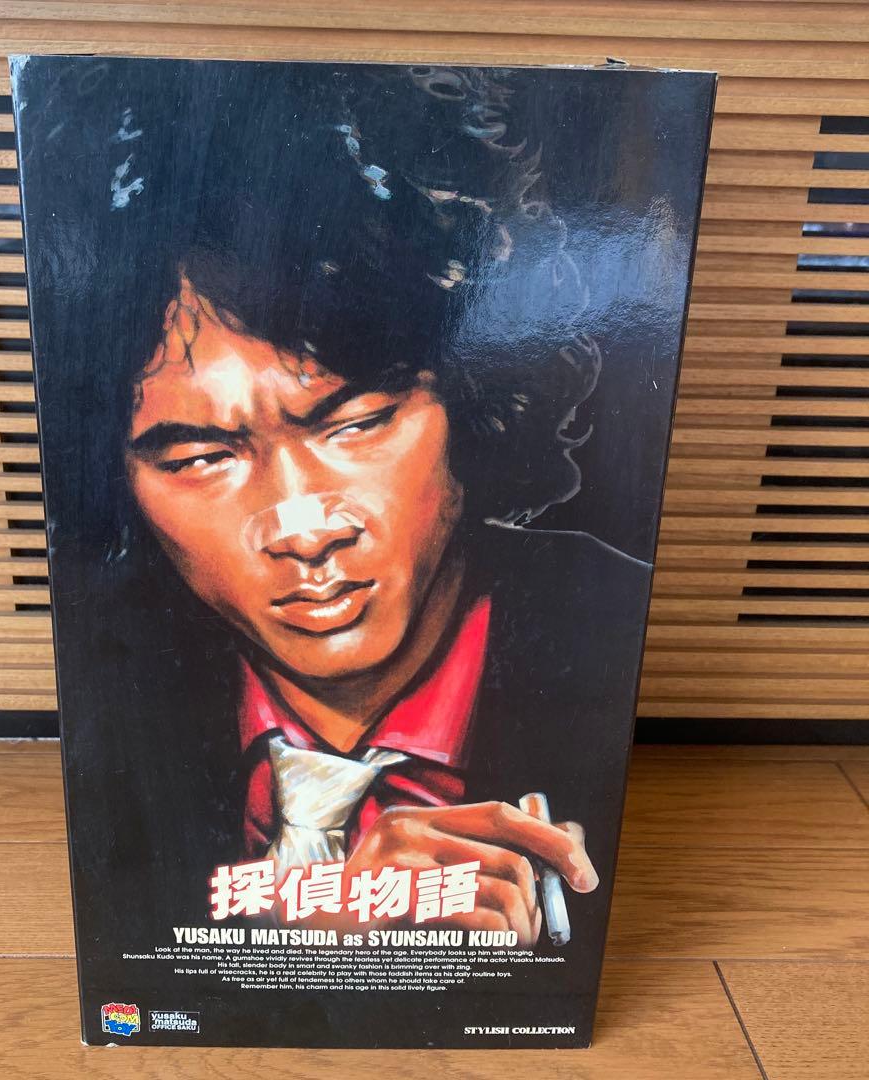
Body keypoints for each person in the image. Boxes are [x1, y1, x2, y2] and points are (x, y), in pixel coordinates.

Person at [49, 63, 653, 949]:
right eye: (199, 458)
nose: (304, 527)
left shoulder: (611, 628)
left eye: (359, 421)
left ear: (476, 400)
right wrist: (289, 914)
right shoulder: (100, 676)